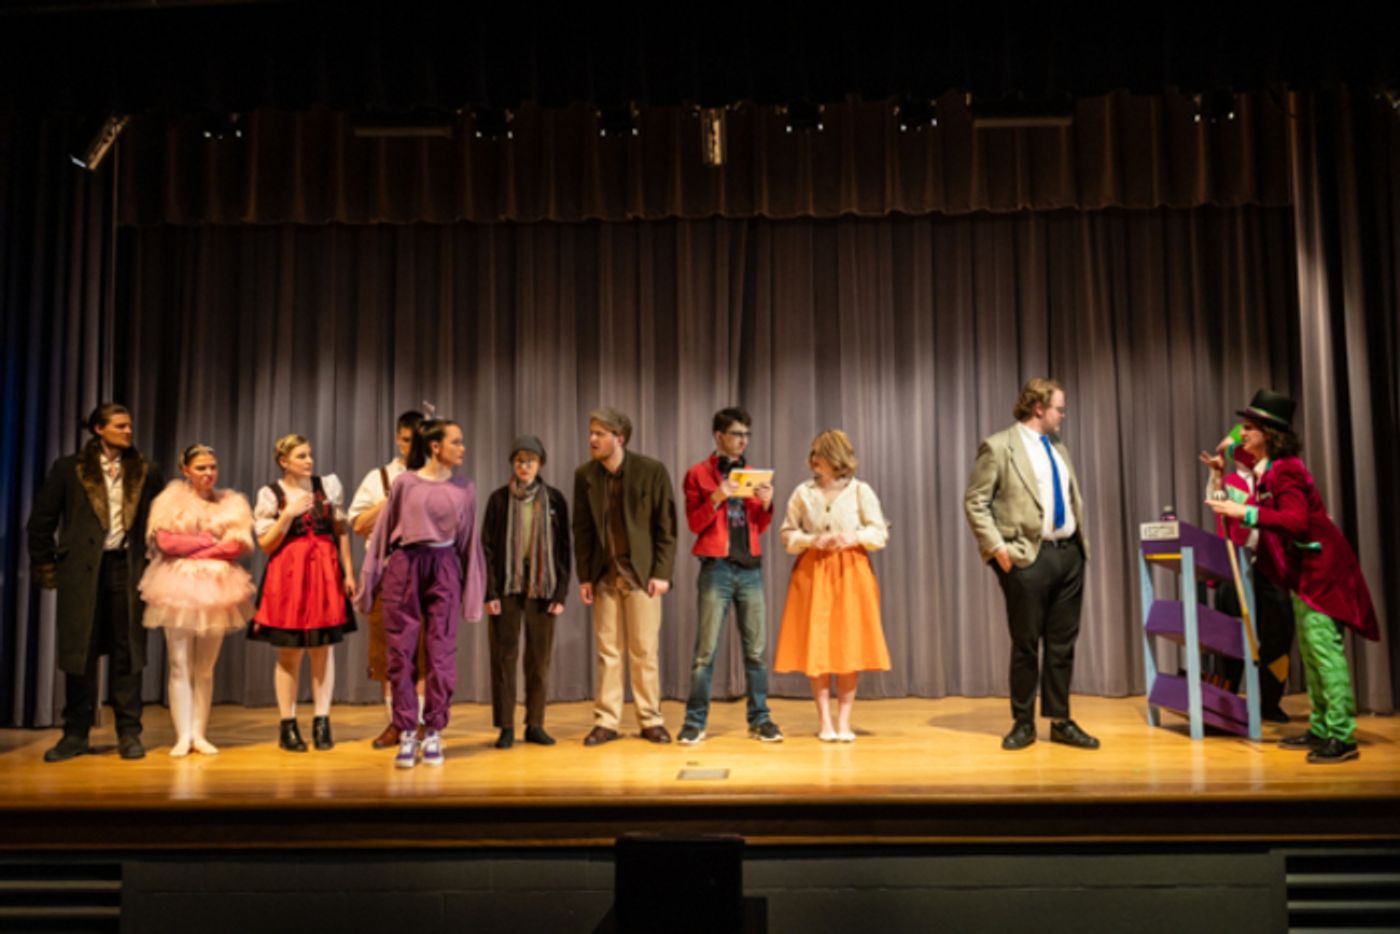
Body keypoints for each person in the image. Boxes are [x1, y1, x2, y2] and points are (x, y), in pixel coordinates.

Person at [1204, 389, 1380, 763]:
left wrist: (1245, 513)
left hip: (1322, 574)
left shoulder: (1287, 470)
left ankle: (1342, 736)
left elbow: (1296, 522)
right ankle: (1321, 726)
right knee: (1313, 656)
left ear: (1269, 433)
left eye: (1249, 428)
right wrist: (1229, 499)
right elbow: (1258, 513)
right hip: (1304, 575)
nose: (1242, 434)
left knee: (1324, 653)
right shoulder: (1268, 472)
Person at [963, 378, 1098, 751]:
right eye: (1058, 408)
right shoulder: (999, 446)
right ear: (1039, 408)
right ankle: (1022, 722)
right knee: (1026, 644)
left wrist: (1078, 547)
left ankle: (1060, 719)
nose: (1063, 415)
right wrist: (998, 549)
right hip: (1026, 557)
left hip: (1068, 554)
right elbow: (975, 501)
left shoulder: (1057, 447)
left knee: (1062, 644)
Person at [27, 403, 165, 762]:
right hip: (83, 572)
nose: (128, 431)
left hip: (126, 568)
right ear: (98, 429)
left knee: (127, 653)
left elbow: (162, 520)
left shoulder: (145, 470)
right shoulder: (70, 469)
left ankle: (129, 733)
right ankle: (75, 734)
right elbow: (41, 521)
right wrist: (49, 567)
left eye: (130, 425)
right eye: (120, 425)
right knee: (81, 653)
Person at [358, 418, 486, 769]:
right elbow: (382, 537)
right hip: (406, 565)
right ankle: (405, 731)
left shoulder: (465, 487)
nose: (462, 448)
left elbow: (469, 543)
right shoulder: (405, 484)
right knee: (400, 653)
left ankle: (434, 731)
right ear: (435, 446)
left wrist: (474, 593)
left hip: (443, 565)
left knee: (441, 653)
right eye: (456, 442)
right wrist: (368, 584)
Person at [138, 443, 255, 756]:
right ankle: (182, 734)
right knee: (179, 663)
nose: (208, 473)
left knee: (205, 667)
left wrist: (198, 549)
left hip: (217, 588)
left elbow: (236, 545)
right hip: (177, 585)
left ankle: (199, 733)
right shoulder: (170, 499)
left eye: (212, 467)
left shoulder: (231, 503)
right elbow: (165, 542)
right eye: (201, 468)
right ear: (186, 470)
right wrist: (204, 541)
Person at [773, 429, 890, 741]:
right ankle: (824, 720)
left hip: (851, 571)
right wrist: (813, 540)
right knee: (818, 644)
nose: (812, 460)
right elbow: (787, 533)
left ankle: (844, 722)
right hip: (813, 571)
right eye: (812, 454)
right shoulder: (803, 492)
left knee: (848, 643)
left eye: (819, 454)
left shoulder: (860, 491)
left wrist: (853, 537)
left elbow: (879, 533)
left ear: (835, 457)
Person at [573, 406, 678, 746]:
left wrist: (662, 573)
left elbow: (666, 527)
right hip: (604, 574)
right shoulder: (585, 476)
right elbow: (583, 531)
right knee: (608, 651)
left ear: (619, 438)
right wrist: (585, 576)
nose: (592, 439)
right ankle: (607, 720)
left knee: (644, 650)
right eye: (591, 432)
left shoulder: (651, 471)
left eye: (599, 434)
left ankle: (650, 718)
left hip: (641, 574)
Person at [678, 407, 783, 744]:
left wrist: (767, 503)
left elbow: (760, 526)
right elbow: (695, 524)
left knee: (756, 651)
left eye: (746, 435)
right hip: (716, 568)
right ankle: (695, 721)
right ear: (719, 436)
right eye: (737, 434)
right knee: (704, 653)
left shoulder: (753, 473)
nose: (743, 441)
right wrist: (717, 496)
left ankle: (760, 719)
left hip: (749, 567)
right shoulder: (698, 474)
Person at [247, 434, 356, 753]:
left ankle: (322, 721)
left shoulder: (327, 487)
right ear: (284, 462)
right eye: (301, 456)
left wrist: (348, 572)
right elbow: (266, 546)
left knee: (323, 649)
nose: (309, 460)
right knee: (290, 652)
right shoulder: (271, 494)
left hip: (325, 572)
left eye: (309, 455)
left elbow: (341, 532)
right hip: (289, 576)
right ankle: (288, 724)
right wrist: (288, 513)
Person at [481, 435, 571, 749]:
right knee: (504, 657)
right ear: (513, 464)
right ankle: (505, 726)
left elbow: (563, 551)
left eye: (530, 460)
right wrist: (488, 592)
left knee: (539, 659)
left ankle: (535, 723)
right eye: (519, 460)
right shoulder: (498, 500)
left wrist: (560, 593)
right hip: (506, 588)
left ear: (540, 464)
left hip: (543, 589)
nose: (524, 466)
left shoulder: (555, 500)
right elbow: (487, 550)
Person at [348, 410, 427, 749]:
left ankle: (420, 723)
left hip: (426, 573)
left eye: (419, 441)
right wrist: (391, 498)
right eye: (408, 440)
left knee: (423, 652)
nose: (413, 447)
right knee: (388, 653)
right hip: (388, 572)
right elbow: (357, 524)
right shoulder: (379, 477)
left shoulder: (437, 476)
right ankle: (397, 722)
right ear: (398, 439)